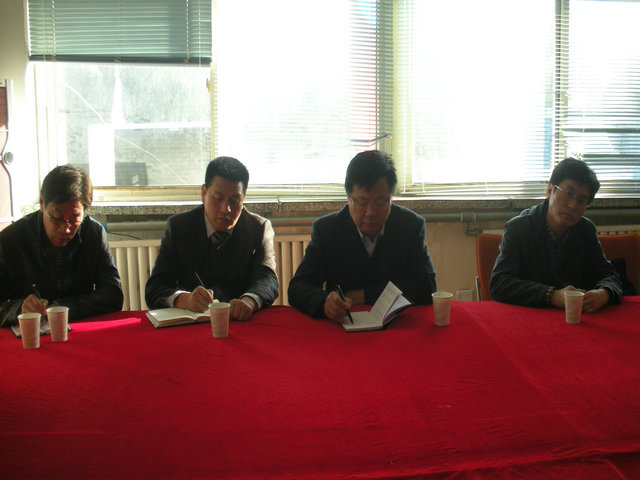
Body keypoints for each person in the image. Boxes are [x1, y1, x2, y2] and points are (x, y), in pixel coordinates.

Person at [287, 150, 437, 322]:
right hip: (344, 325)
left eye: (380, 203)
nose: (371, 212)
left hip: (396, 326)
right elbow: (298, 288)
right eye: (362, 203)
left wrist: (365, 295)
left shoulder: (409, 226)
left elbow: (427, 286)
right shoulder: (328, 230)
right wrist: (324, 303)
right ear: (348, 197)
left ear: (390, 198)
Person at [145, 156, 278, 320]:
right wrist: (185, 299)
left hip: (240, 322)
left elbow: (267, 279)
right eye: (218, 198)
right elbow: (155, 288)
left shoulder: (258, 228)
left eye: (234, 200)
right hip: (192, 324)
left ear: (244, 198)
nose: (226, 209)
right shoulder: (179, 227)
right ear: (203, 193)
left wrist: (249, 301)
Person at [490, 157, 623, 312]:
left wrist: (604, 293)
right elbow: (500, 283)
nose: (572, 205)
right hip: (532, 315)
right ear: (549, 191)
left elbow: (609, 275)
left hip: (576, 317)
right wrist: (552, 295)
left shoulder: (586, 230)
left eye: (581, 201)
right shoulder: (519, 228)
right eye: (568, 194)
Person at [0, 165, 124, 327]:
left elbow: (113, 294)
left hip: (79, 328)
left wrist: (59, 308)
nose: (65, 229)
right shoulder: (11, 240)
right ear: (42, 204)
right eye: (57, 218)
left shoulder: (93, 233)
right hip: (29, 333)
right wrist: (19, 309)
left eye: (74, 219)